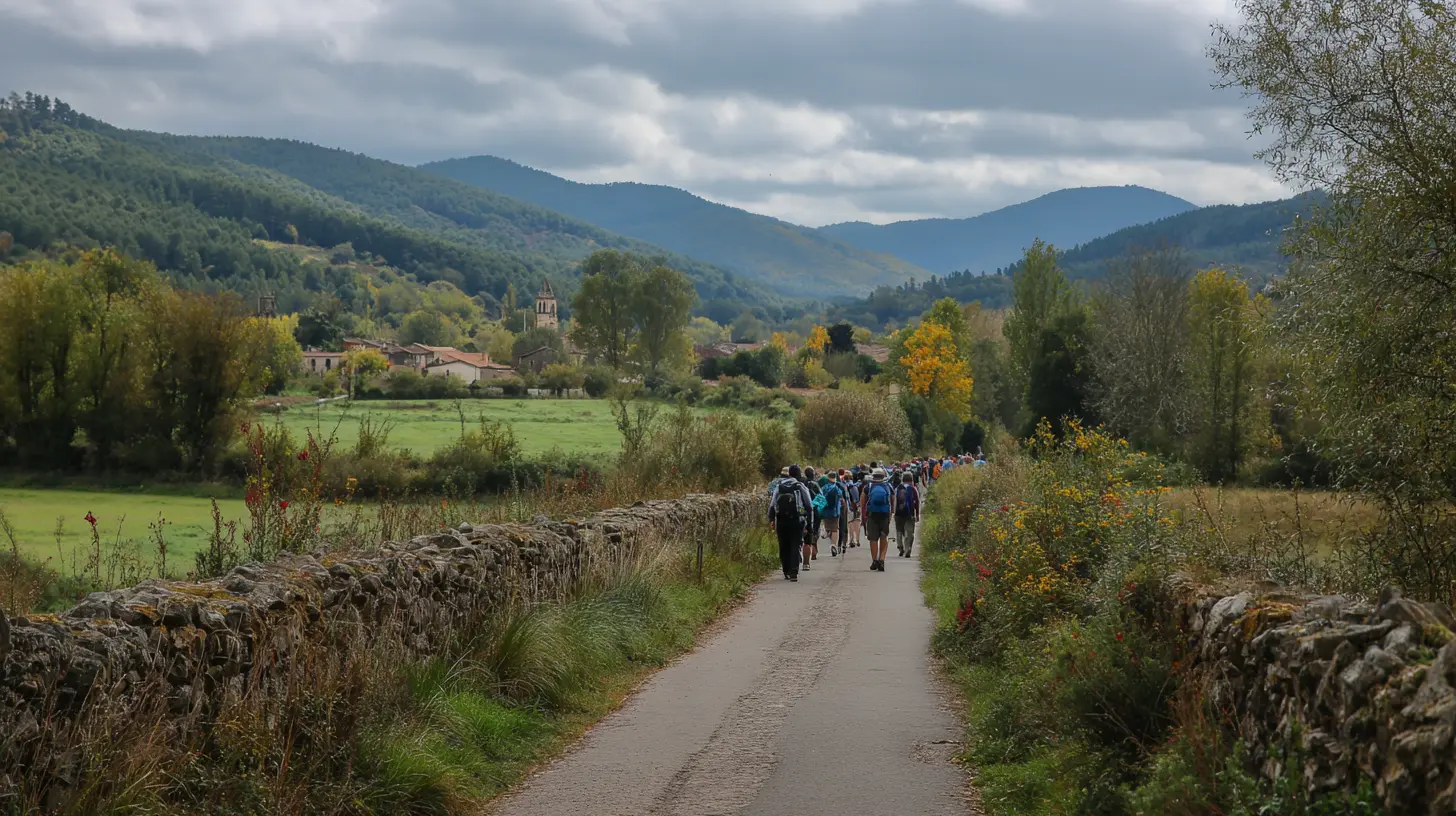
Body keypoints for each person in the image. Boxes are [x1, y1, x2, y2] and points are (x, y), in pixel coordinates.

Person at [769, 465, 812, 582]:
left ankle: (786, 570)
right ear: (798, 474)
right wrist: (809, 524)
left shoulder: (779, 487)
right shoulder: (800, 486)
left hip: (781, 520)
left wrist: (771, 519)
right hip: (797, 520)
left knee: (783, 545)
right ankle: (794, 571)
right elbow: (808, 505)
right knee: (795, 544)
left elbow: (772, 505)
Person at [861, 467, 894, 572]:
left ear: (873, 476)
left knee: (873, 538)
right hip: (884, 514)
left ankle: (874, 560)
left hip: (872, 514)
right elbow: (893, 498)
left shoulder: (868, 486)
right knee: (884, 536)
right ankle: (882, 559)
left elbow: (862, 501)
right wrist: (892, 511)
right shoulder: (888, 486)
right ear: (883, 477)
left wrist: (863, 514)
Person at [893, 471, 921, 557]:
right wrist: (917, 514)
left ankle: (900, 547)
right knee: (909, 532)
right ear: (912, 479)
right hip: (910, 513)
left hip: (898, 513)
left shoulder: (898, 488)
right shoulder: (913, 489)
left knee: (899, 530)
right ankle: (908, 548)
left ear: (902, 479)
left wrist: (894, 513)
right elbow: (917, 503)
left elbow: (894, 502)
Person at [801, 466, 822, 569]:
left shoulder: (801, 484)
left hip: (803, 512)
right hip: (815, 511)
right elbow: (822, 499)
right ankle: (813, 551)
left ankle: (807, 554)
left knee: (805, 534)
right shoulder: (815, 484)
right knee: (814, 531)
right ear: (813, 474)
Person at [821, 471, 845, 557]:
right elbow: (840, 497)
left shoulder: (823, 488)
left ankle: (827, 533)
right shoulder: (837, 488)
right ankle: (834, 545)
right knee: (835, 529)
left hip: (825, 511)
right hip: (835, 512)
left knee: (828, 528)